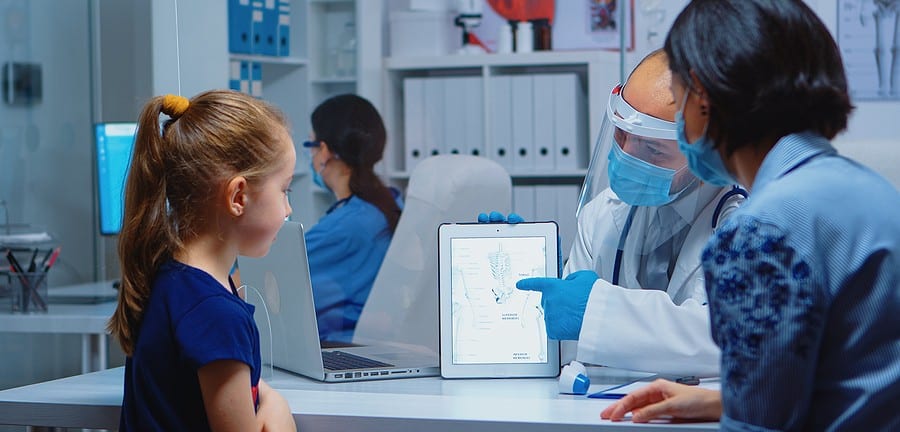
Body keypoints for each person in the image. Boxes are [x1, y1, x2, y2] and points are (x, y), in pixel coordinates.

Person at [602, 1, 900, 430]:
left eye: (680, 96)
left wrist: (743, 409)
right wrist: (724, 400)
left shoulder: (762, 231)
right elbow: (855, 374)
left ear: (702, 98)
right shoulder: (870, 191)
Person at [505, 49, 746, 378]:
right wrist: (535, 278)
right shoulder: (600, 215)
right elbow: (569, 351)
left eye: (652, 149)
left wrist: (599, 314)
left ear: (703, 153)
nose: (626, 155)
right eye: (620, 135)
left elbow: (731, 340)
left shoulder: (744, 224)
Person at [108, 91, 296, 431]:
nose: (288, 209)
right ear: (238, 196)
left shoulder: (168, 277)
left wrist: (262, 394)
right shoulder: (216, 314)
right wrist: (280, 415)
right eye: (285, 190)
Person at [303, 94, 402, 343]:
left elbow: (255, 283)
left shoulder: (344, 227)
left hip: (341, 349)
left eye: (311, 145)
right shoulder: (391, 202)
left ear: (324, 152)